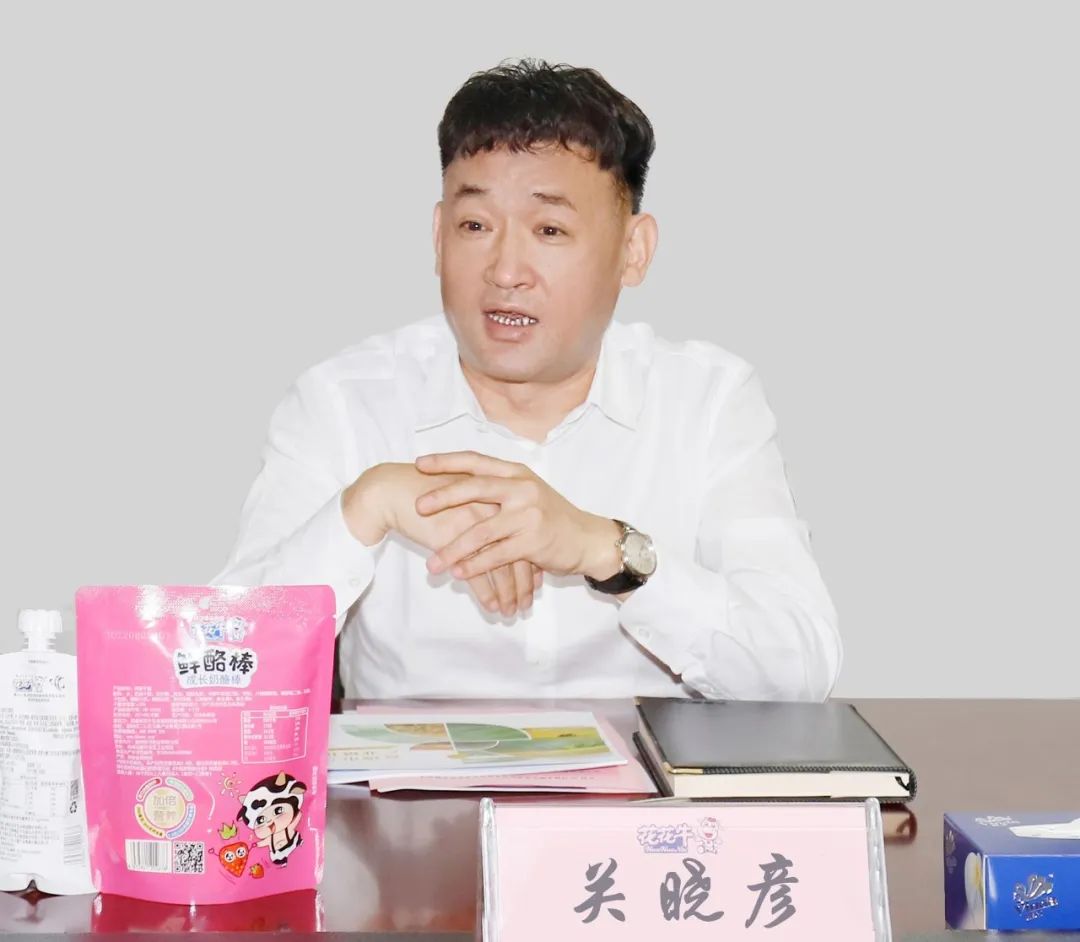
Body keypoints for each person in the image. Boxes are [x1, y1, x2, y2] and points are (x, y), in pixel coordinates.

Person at [213, 59, 841, 702]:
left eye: (549, 230)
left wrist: (606, 549)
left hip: (644, 770)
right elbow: (216, 674)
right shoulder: (343, 403)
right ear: (438, 238)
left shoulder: (706, 402)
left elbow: (798, 673)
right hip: (408, 771)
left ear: (633, 252)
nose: (506, 270)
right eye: (475, 226)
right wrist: (368, 505)